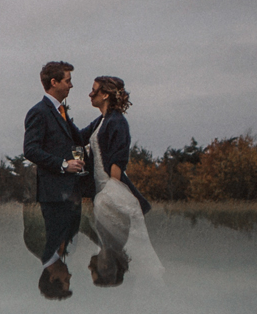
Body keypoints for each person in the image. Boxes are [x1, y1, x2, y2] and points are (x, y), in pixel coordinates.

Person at [81, 75, 162, 285]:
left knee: (115, 244)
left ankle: (114, 280)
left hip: (111, 193)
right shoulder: (101, 121)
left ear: (105, 94)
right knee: (109, 245)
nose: (90, 94)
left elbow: (117, 163)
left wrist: (111, 196)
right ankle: (114, 282)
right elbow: (78, 137)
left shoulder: (117, 122)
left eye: (94, 90)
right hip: (101, 192)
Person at [23, 60, 87, 299]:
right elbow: (30, 149)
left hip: (69, 195)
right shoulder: (39, 112)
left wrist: (106, 118)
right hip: (54, 194)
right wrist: (63, 165)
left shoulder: (61, 112)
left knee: (63, 239)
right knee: (58, 237)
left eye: (65, 281)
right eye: (68, 80)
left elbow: (79, 137)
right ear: (54, 82)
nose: (71, 85)